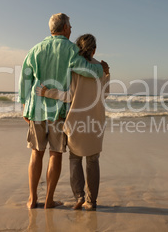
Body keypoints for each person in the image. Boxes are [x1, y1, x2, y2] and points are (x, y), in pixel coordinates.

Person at [18, 13, 109, 209]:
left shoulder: (35, 49)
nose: (71, 29)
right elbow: (87, 69)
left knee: (36, 153)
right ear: (66, 28)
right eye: (70, 26)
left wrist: (24, 104)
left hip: (35, 109)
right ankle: (48, 200)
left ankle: (32, 199)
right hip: (58, 111)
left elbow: (25, 77)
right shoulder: (71, 50)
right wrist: (102, 69)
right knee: (55, 154)